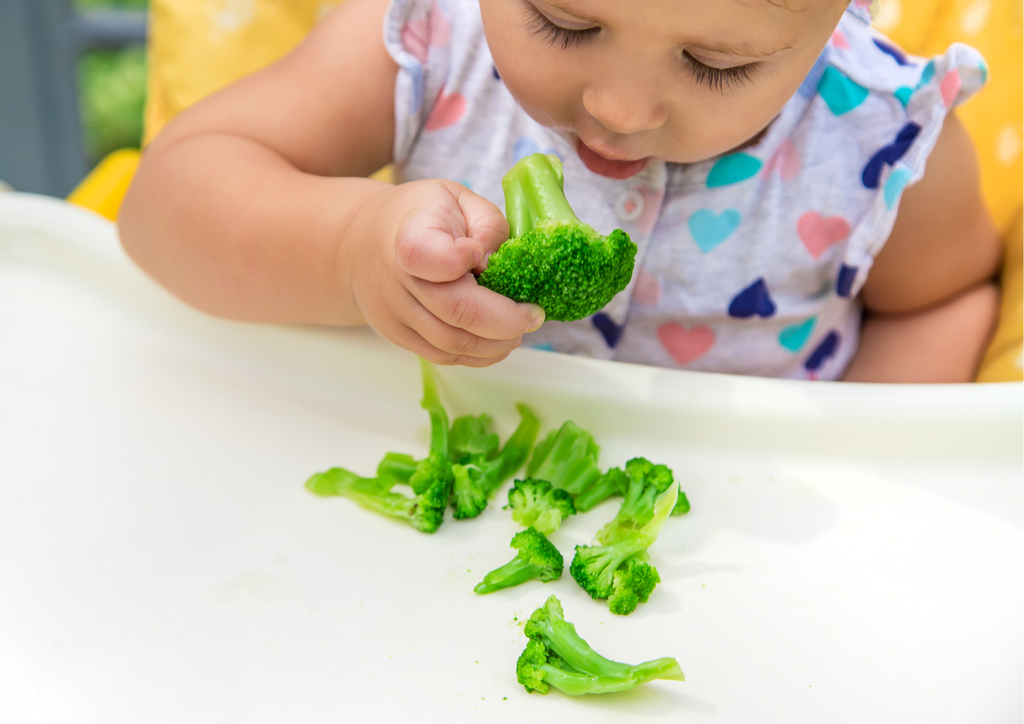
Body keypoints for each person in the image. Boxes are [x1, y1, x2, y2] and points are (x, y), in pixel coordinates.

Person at [119, 0, 1002, 382]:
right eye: (563, 21)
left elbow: (945, 300)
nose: (619, 107)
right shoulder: (433, 40)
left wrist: (840, 469)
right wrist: (348, 248)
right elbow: (168, 200)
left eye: (714, 62)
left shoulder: (878, 136)